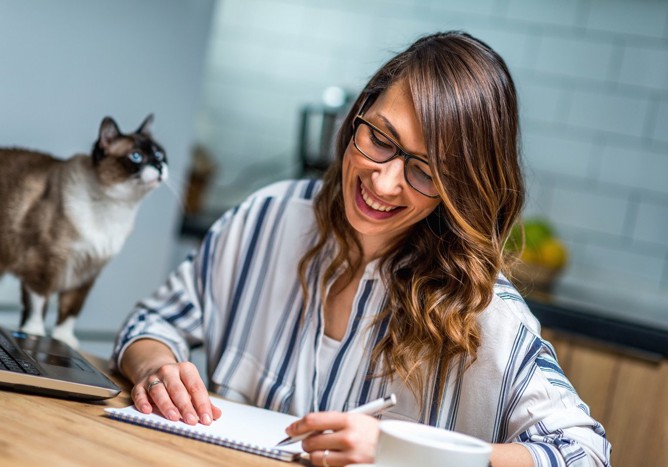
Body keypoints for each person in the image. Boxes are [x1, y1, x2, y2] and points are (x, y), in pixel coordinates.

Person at [112, 31, 611, 466]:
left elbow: (583, 455)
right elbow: (151, 326)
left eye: (425, 171)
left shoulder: (485, 313)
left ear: (458, 189)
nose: (386, 181)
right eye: (380, 139)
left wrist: (409, 455)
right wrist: (158, 370)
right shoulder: (265, 218)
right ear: (358, 116)